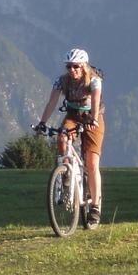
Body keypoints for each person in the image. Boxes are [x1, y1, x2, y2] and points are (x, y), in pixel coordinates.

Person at [35, 48, 104, 228]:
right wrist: (42, 122)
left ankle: (95, 207)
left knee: (92, 162)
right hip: (73, 116)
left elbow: (96, 100)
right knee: (62, 137)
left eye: (76, 66)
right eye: (69, 67)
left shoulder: (94, 80)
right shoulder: (62, 81)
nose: (72, 70)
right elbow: (52, 101)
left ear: (83, 66)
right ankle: (66, 172)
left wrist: (94, 119)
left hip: (92, 118)